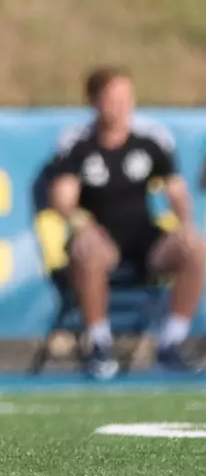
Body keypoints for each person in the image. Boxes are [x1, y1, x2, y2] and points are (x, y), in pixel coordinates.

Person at [47, 66, 205, 380]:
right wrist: (82, 224)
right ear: (94, 101)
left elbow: (175, 190)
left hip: (143, 238)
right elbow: (62, 198)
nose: (120, 106)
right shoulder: (79, 142)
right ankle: (99, 344)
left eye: (126, 98)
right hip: (98, 236)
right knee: (89, 250)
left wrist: (185, 224)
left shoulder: (150, 138)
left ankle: (171, 342)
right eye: (112, 98)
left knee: (196, 249)